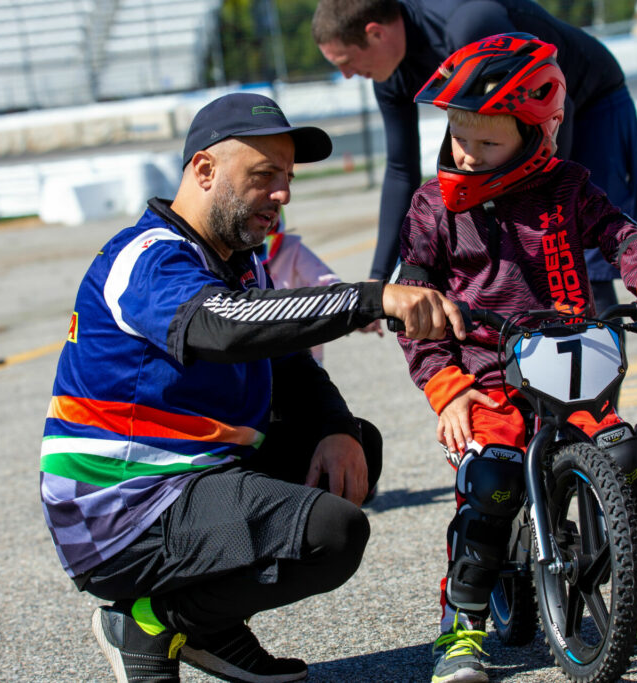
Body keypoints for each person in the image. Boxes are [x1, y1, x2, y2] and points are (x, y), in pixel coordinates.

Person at [39, 92, 466, 683]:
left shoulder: (240, 260)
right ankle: (151, 621)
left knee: (353, 451)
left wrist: (335, 427)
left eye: (287, 178)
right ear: (205, 171)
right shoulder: (147, 258)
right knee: (331, 534)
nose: (283, 194)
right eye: (264, 176)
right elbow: (221, 326)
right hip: (123, 509)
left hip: (192, 478)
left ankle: (206, 625)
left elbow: (289, 364)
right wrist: (369, 297)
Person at [393, 35, 637, 682]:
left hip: (567, 361)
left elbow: (621, 233)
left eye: (486, 142)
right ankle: (461, 626)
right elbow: (415, 306)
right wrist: (447, 387)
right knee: (493, 476)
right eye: (458, 133)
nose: (465, 151)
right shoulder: (431, 208)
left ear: (536, 135)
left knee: (626, 453)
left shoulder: (567, 186)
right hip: (487, 375)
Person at [312, 0, 637, 313]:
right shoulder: (389, 73)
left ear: (375, 33)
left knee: (576, 264)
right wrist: (379, 275)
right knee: (507, 265)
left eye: (345, 62)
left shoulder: (468, 25)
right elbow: (401, 169)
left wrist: (549, 207)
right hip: (521, 130)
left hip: (586, 102)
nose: (347, 75)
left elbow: (556, 111)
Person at [257, 210, 383, 365]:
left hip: (303, 356)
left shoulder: (291, 249)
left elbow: (326, 283)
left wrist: (357, 311)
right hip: (257, 356)